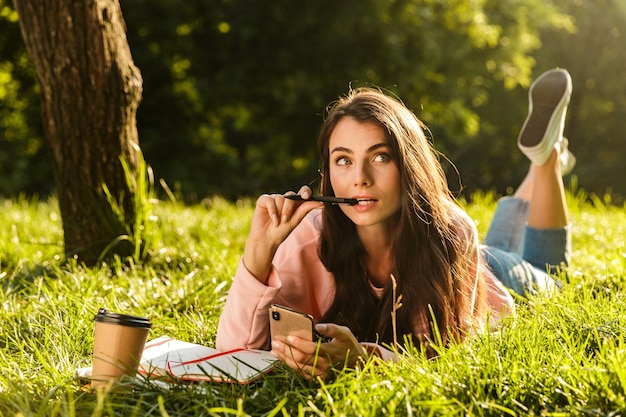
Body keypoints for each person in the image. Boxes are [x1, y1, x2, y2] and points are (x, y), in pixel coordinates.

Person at [216, 68, 573, 379]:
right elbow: (231, 354)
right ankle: (542, 159)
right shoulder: (308, 239)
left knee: (551, 274)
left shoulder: (451, 233)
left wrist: (367, 361)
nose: (360, 178)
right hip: (479, 257)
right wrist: (257, 254)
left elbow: (449, 360)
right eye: (343, 160)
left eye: (381, 156)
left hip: (495, 274)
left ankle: (546, 160)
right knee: (509, 238)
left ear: (409, 165)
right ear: (328, 172)